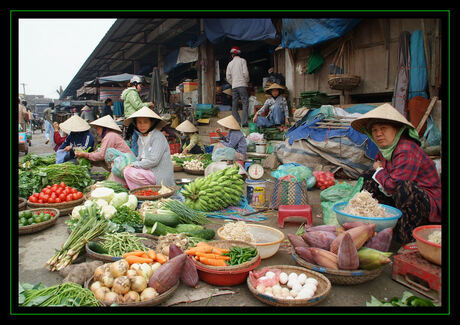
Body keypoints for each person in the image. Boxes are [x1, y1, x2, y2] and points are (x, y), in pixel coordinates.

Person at [350, 103, 442, 244]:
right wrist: (377, 172)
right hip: (398, 197)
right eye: (374, 130)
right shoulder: (384, 149)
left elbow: (394, 185)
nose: (378, 134)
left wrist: (379, 171)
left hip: (426, 203)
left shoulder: (406, 149)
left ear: (397, 130)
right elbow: (380, 176)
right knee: (368, 176)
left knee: (404, 187)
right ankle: (373, 229)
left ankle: (407, 240)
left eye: (383, 129)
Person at [121, 106, 175, 189]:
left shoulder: (158, 136)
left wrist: (133, 165)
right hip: (147, 171)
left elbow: (153, 161)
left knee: (129, 172)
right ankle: (137, 190)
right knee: (121, 169)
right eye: (139, 122)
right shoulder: (140, 137)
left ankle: (143, 190)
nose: (142, 125)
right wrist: (129, 164)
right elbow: (140, 157)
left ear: (152, 123)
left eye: (145, 122)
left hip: (158, 174)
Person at [121, 75, 154, 156]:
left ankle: (137, 157)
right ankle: (148, 157)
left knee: (135, 140)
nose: (141, 87)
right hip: (134, 119)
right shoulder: (132, 93)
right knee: (144, 138)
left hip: (132, 119)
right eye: (140, 85)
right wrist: (148, 104)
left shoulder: (131, 93)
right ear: (135, 84)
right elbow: (137, 106)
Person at [226, 46, 250, 127]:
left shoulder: (230, 64)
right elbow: (245, 73)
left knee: (234, 105)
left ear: (232, 55)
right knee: (245, 103)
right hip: (242, 85)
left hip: (234, 86)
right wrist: (246, 81)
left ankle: (238, 122)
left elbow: (228, 77)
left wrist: (233, 83)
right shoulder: (242, 61)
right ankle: (244, 122)